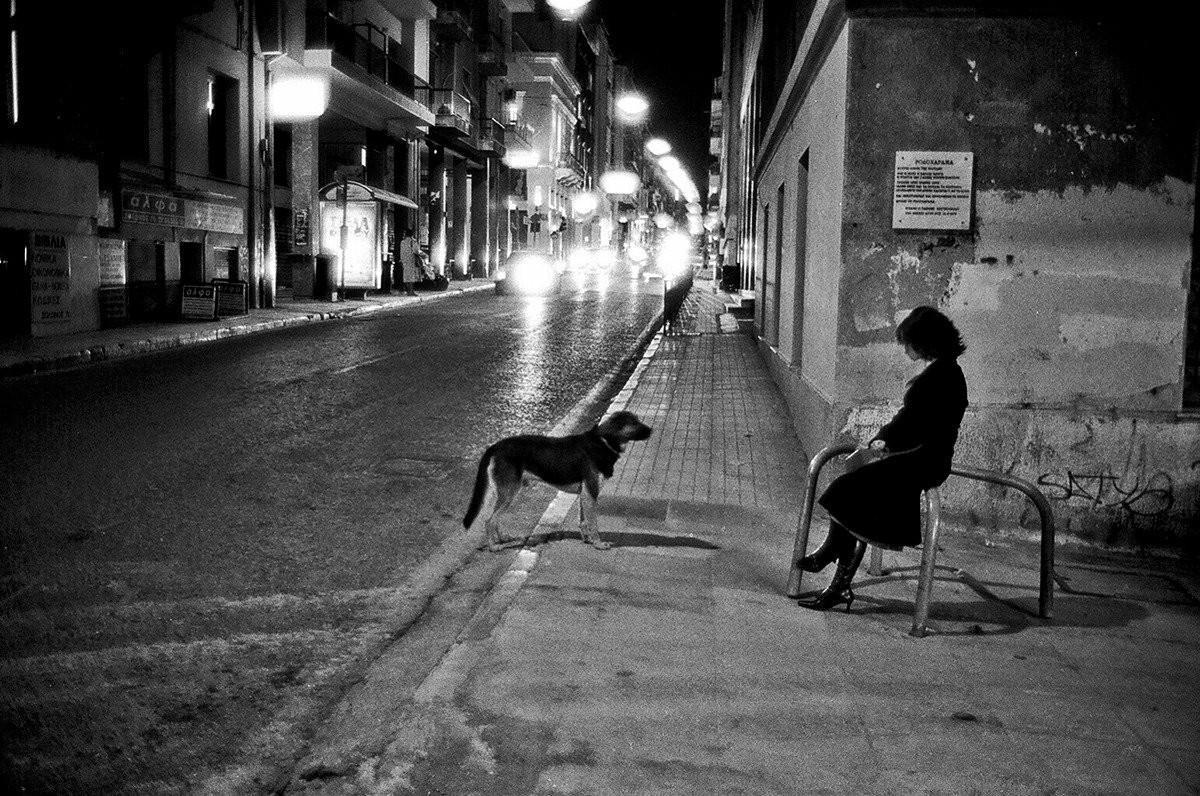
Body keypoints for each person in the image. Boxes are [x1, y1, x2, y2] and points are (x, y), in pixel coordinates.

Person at [798, 305, 968, 612]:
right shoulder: (946, 372)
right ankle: (836, 582)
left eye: (908, 342)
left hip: (923, 460)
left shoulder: (941, 377)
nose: (904, 348)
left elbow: (915, 424)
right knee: (855, 502)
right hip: (921, 457)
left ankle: (830, 558)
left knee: (845, 491)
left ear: (925, 341)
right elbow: (911, 420)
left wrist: (884, 442)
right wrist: (885, 439)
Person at [396, 228, 420, 296]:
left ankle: (408, 290)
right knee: (412, 277)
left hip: (405, 261)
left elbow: (401, 252)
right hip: (411, 260)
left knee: (406, 276)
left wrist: (402, 260)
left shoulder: (402, 242)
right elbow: (417, 251)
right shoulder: (413, 242)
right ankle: (411, 291)